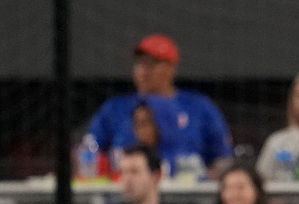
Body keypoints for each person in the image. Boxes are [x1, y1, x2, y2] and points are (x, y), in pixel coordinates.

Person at [84, 34, 233, 178]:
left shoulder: (199, 107)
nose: (143, 70)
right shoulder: (114, 108)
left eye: (152, 64)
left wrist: (206, 181)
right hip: (125, 189)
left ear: (172, 68)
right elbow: (88, 151)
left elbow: (223, 158)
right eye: (139, 63)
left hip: (185, 190)